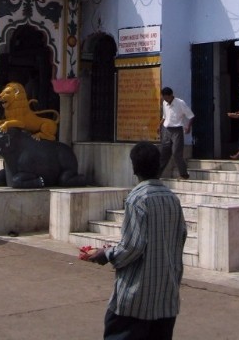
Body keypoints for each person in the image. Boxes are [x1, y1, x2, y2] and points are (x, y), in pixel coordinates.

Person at [81, 141, 187, 340]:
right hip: (166, 294)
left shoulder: (137, 199)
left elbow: (132, 247)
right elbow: (181, 237)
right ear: (159, 165)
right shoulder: (172, 198)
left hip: (137, 297)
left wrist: (106, 254)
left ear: (134, 168)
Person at [158, 87, 194, 180]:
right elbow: (165, 116)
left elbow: (191, 116)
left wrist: (188, 127)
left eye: (167, 97)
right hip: (166, 129)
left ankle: (184, 174)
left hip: (177, 130)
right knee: (164, 153)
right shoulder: (164, 103)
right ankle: (157, 175)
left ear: (171, 95)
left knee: (176, 152)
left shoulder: (180, 103)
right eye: (164, 98)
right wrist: (159, 125)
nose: (166, 99)